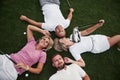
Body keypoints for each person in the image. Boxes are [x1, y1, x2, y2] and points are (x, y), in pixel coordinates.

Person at [54, 19, 120, 62]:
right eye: (62, 39)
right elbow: (82, 63)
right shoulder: (73, 50)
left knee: (117, 41)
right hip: (98, 46)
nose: (63, 37)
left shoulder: (72, 36)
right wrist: (71, 61)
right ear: (65, 46)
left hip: (96, 38)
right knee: (118, 37)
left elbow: (86, 31)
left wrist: (98, 25)